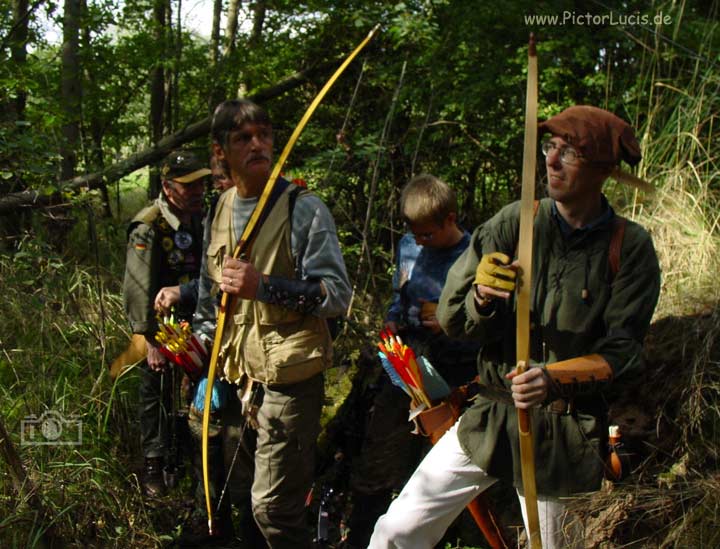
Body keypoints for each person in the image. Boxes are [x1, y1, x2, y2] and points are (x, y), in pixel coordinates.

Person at [369, 105, 661, 548]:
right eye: (550, 147)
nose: (552, 160)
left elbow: (625, 353)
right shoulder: (516, 221)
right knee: (397, 531)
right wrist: (482, 298)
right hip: (490, 418)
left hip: (564, 435)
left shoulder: (630, 247)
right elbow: (451, 318)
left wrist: (552, 378)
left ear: (602, 169)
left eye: (570, 153)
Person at [192, 98, 352, 548]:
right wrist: (202, 355)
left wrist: (263, 285)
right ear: (220, 150)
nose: (258, 144)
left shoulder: (303, 207)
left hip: (291, 378)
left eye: (264, 134)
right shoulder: (220, 206)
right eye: (243, 138)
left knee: (274, 510)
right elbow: (210, 296)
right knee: (245, 499)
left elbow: (336, 295)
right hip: (239, 376)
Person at [344, 174, 478, 548]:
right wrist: (393, 315)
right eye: (415, 235)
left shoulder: (474, 256)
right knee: (382, 450)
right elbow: (399, 293)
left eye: (428, 236)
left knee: (446, 460)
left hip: (456, 371)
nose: (420, 242)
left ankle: (454, 537)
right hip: (406, 363)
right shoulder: (408, 246)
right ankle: (364, 535)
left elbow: (488, 323)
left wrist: (454, 321)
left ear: (450, 219)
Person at [122, 149, 209, 497]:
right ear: (167, 186)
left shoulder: (198, 218)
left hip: (195, 323)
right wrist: (149, 341)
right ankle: (153, 466)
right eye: (188, 186)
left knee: (194, 396)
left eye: (200, 184)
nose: (197, 191)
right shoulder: (149, 225)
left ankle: (189, 461)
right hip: (159, 328)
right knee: (154, 394)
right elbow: (137, 285)